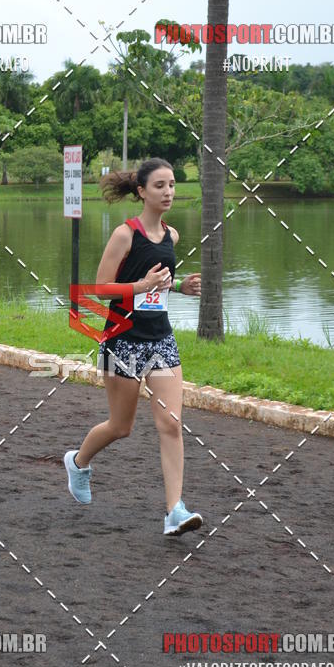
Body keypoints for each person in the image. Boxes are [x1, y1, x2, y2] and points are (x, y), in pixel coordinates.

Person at [64, 157, 203, 536]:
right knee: (121, 426)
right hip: (122, 340)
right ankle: (78, 462)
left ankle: (174, 510)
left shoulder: (172, 237)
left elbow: (158, 286)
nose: (169, 192)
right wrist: (138, 286)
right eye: (160, 185)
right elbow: (98, 289)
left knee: (171, 424)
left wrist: (180, 288)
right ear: (141, 191)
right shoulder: (125, 235)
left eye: (172, 184)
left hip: (161, 340)